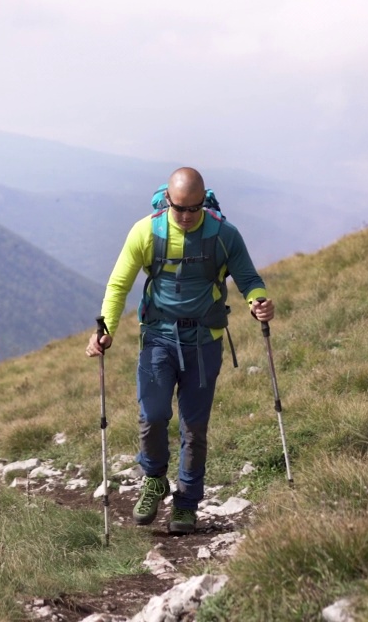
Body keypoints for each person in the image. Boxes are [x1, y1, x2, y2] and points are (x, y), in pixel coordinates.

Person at [86, 167, 274, 534]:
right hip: (158, 337)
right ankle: (154, 479)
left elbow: (249, 278)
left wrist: (259, 302)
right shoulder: (146, 232)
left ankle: (187, 504)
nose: (187, 217)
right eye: (179, 209)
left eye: (194, 209)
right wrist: (106, 329)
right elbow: (119, 284)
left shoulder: (224, 235)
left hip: (205, 340)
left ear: (204, 202)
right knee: (153, 416)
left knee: (194, 426)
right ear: (167, 202)